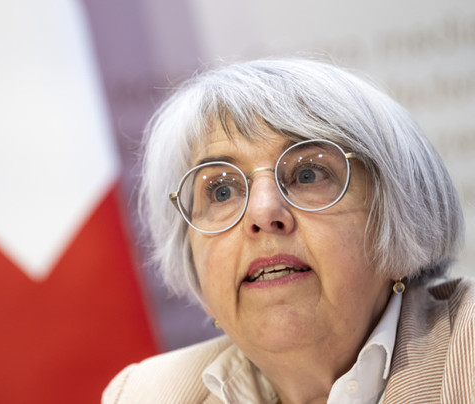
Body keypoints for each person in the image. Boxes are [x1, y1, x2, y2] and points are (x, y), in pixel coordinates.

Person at [103, 58, 474, 403]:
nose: (263, 213)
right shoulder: (143, 394)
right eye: (221, 191)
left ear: (399, 215)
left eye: (308, 174)